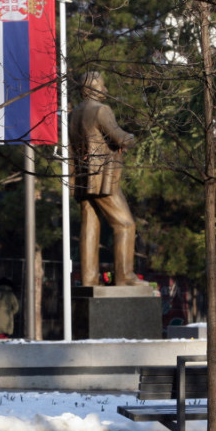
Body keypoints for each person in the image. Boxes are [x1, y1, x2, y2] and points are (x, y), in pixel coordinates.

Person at [69, 71, 146, 287]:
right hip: (103, 178)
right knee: (125, 224)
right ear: (93, 88)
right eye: (103, 86)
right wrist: (132, 137)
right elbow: (121, 137)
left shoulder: (73, 113)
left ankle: (89, 279)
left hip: (83, 177)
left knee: (90, 225)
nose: (106, 90)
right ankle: (124, 276)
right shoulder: (101, 110)